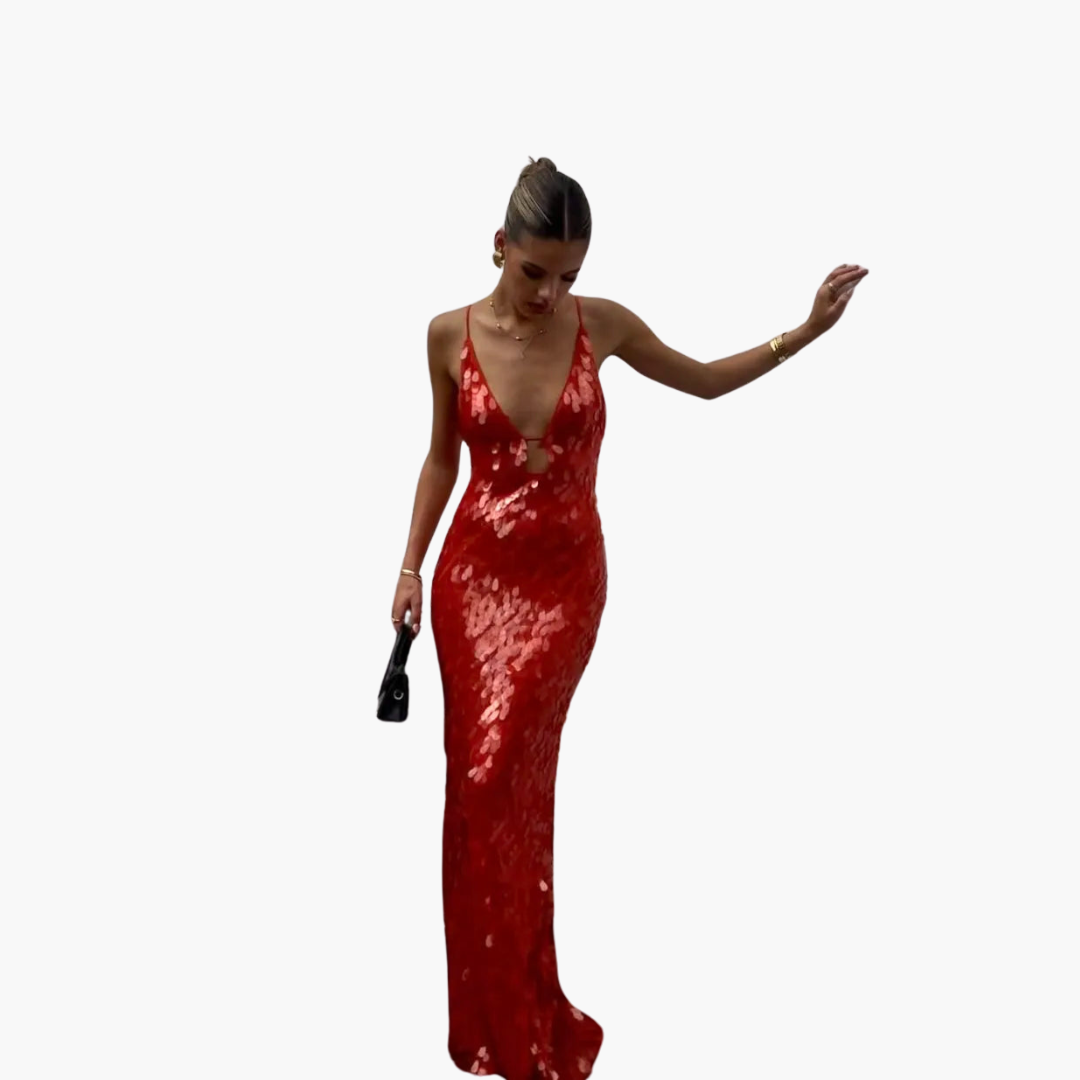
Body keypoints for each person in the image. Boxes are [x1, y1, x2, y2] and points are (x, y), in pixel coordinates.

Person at [390, 156, 868, 1079]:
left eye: (569, 273)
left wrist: (805, 332)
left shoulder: (600, 324)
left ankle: (526, 1020)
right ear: (499, 246)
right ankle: (494, 1019)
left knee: (508, 778)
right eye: (535, 270)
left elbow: (704, 380)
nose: (550, 292)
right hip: (471, 583)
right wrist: (409, 566)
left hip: (564, 586)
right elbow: (441, 459)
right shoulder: (446, 334)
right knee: (480, 787)